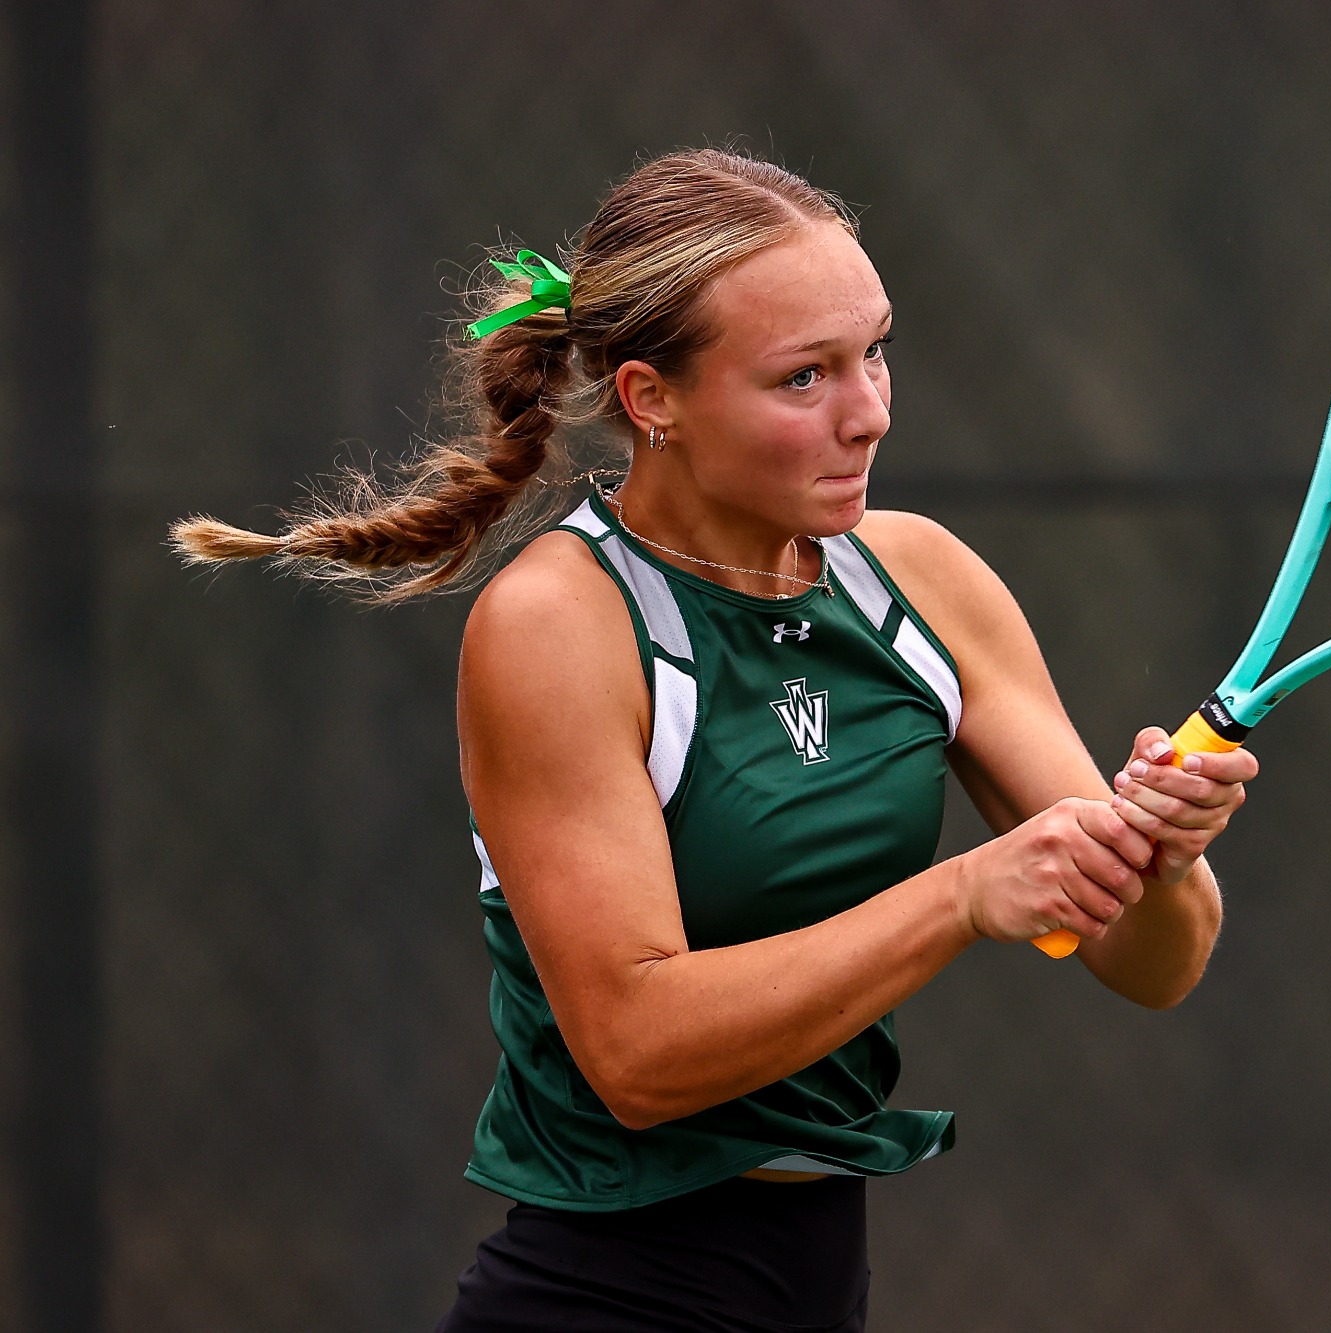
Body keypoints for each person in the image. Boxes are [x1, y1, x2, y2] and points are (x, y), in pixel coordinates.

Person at [172, 149, 1260, 1332]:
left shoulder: (923, 580)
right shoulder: (560, 625)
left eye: (874, 351)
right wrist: (962, 897)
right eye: (804, 378)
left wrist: (1158, 850)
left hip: (816, 1283)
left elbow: (1152, 964)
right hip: (607, 1297)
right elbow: (637, 1056)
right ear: (653, 400)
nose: (870, 411)